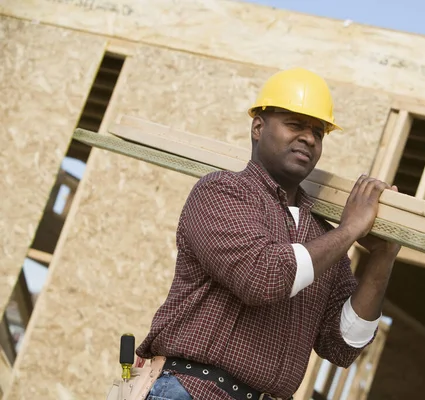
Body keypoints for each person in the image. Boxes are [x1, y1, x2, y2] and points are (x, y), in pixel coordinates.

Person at [136, 67, 401, 400]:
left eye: (318, 132)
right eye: (295, 124)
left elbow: (342, 346)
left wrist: (382, 258)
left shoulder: (321, 235)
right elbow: (261, 278)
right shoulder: (222, 193)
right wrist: (350, 229)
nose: (308, 138)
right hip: (192, 391)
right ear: (258, 127)